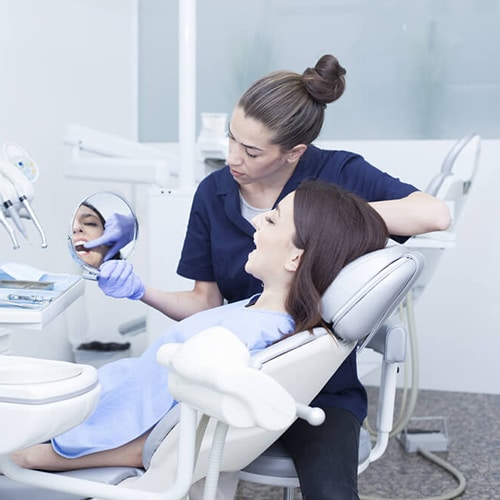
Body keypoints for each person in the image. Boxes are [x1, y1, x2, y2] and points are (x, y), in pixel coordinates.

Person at [94, 54, 451, 499]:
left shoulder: (336, 174)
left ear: (294, 152)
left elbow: (434, 214)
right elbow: (205, 302)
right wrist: (139, 290)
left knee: (332, 493)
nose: (232, 158)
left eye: (251, 151)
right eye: (232, 138)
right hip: (231, 380)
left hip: (318, 387)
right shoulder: (214, 193)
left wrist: (330, 219)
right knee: (162, 467)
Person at [11, 179, 388, 473]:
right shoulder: (265, 312)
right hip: (97, 397)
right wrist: (140, 290)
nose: (257, 219)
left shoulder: (244, 340)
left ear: (295, 257)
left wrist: (34, 458)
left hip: (81, 430)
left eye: (272, 219)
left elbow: (156, 446)